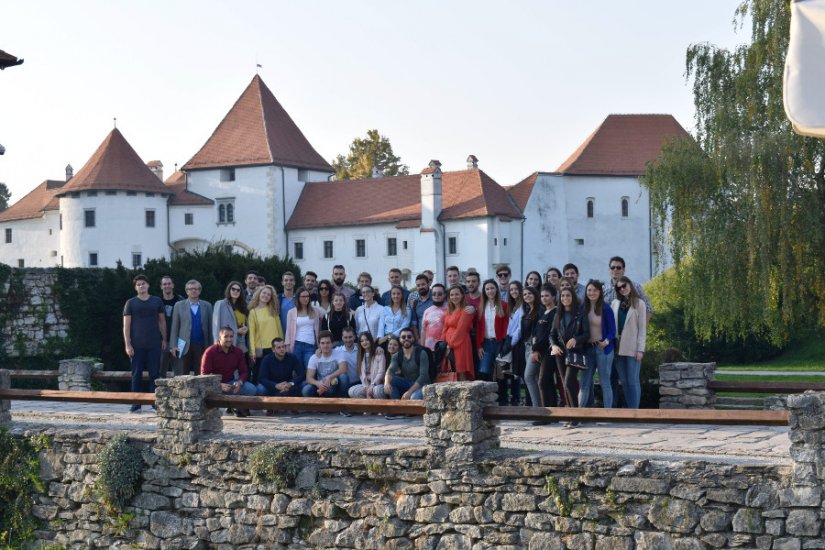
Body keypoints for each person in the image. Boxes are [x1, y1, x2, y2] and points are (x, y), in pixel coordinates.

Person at [123, 274, 166, 413]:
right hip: (137, 345)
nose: (141, 286)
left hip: (154, 344)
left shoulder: (157, 301)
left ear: (148, 285)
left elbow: (162, 321)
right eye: (139, 284)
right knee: (136, 374)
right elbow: (126, 325)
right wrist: (127, 344)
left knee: (154, 374)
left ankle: (155, 404)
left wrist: (164, 339)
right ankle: (136, 404)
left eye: (143, 283)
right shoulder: (131, 303)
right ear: (135, 287)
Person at [550, 287, 589, 426]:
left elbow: (586, 334)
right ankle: (571, 416)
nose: (565, 298)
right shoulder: (557, 314)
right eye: (563, 296)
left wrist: (576, 340)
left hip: (575, 352)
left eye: (568, 295)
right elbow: (552, 335)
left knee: (568, 382)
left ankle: (575, 416)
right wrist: (553, 346)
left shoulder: (580, 314)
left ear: (572, 297)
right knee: (567, 385)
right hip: (560, 353)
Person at [201, 326, 257, 417]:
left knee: (252, 389)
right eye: (226, 336)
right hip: (213, 385)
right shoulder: (210, 352)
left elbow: (244, 372)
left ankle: (236, 406)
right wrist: (218, 385)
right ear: (220, 337)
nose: (229, 339)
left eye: (231, 336)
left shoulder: (238, 352)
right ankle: (226, 407)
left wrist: (239, 382)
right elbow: (204, 375)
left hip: (230, 384)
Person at [611, 276, 647, 409]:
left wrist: (640, 349)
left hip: (633, 348)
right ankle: (628, 411)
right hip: (617, 347)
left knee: (633, 380)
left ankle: (634, 411)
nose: (622, 289)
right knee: (624, 381)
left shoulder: (639, 304)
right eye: (619, 288)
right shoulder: (615, 303)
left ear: (630, 285)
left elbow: (642, 329)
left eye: (624, 286)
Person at [579, 280, 617, 408]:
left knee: (605, 382)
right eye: (589, 290)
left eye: (595, 290)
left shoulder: (606, 308)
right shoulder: (582, 307)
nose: (592, 292)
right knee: (584, 383)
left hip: (603, 349)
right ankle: (578, 416)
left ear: (600, 292)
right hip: (587, 350)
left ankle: (608, 415)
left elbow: (612, 331)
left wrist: (605, 342)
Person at [169, 279, 213, 377]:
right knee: (181, 375)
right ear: (186, 291)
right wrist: (173, 345)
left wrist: (211, 346)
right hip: (183, 346)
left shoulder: (207, 306)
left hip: (202, 345)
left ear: (200, 291)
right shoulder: (179, 305)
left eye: (196, 289)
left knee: (201, 374)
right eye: (191, 289)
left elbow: (210, 328)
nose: (193, 291)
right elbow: (175, 327)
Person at [525, 284, 556, 408]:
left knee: (544, 381)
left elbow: (549, 333)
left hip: (549, 351)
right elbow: (536, 332)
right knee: (543, 381)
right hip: (538, 351)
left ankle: (545, 412)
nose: (544, 298)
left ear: (553, 297)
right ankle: (545, 410)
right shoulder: (543, 311)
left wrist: (535, 348)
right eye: (542, 296)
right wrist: (534, 349)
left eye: (547, 296)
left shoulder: (555, 312)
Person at [383, 327, 429, 405]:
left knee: (414, 397)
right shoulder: (397, 356)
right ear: (400, 340)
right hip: (407, 383)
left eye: (409, 336)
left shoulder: (421, 353)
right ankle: (396, 407)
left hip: (422, 385)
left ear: (414, 339)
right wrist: (386, 383)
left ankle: (408, 411)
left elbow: (423, 377)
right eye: (403, 337)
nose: (406, 339)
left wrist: (409, 392)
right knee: (391, 380)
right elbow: (390, 371)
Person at [247, 285, 283, 383]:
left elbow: (279, 330)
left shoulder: (273, 311)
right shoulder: (253, 312)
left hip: (274, 348)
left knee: (274, 374)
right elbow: (252, 334)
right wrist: (252, 352)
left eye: (269, 295)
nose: (266, 296)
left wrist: (282, 346)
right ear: (259, 294)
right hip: (260, 350)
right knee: (258, 375)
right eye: (264, 293)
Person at [476, 278, 508, 381]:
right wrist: (479, 346)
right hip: (486, 344)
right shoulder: (480, 308)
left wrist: (503, 343)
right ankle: (486, 396)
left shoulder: (503, 306)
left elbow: (506, 326)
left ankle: (502, 397)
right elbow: (478, 329)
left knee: (500, 374)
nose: (490, 291)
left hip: (499, 343)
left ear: (496, 289)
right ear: (484, 292)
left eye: (492, 288)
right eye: (487, 289)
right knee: (483, 371)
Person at [512, 286, 539, 407]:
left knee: (529, 376)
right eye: (525, 294)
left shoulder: (539, 310)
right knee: (531, 377)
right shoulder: (527, 309)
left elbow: (538, 331)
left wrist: (535, 348)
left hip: (534, 348)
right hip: (526, 347)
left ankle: (537, 407)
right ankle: (537, 406)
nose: (527, 296)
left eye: (529, 293)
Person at [603, 256, 654, 320]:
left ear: (623, 270)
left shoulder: (635, 286)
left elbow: (648, 309)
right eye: (612, 267)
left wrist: (641, 328)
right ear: (609, 270)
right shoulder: (603, 290)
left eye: (618, 268)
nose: (615, 270)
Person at [256, 337, 305, 405]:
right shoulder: (267, 359)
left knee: (304, 384)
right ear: (273, 349)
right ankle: (269, 405)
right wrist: (275, 385)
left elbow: (301, 374)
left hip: (288, 386)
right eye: (278, 347)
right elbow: (261, 378)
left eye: (283, 346)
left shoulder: (292, 357)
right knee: (260, 388)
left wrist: (290, 384)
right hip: (273, 387)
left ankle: (293, 405)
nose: (282, 349)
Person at [442, 285, 476, 381]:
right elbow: (445, 328)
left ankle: (465, 395)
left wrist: (450, 345)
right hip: (449, 345)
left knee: (461, 371)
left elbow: (461, 330)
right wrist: (443, 344)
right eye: (452, 295)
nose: (454, 297)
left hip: (461, 343)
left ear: (462, 295)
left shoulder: (466, 310)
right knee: (452, 371)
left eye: (457, 294)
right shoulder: (449, 311)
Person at [285, 287, 324, 367]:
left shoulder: (315, 311)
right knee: (297, 369)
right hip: (296, 344)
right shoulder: (291, 312)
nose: (306, 299)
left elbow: (324, 316)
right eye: (303, 296)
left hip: (310, 344)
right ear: (298, 298)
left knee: (310, 367)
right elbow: (288, 331)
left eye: (308, 296)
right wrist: (287, 346)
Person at [499, 281, 524, 405]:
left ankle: (516, 399)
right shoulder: (511, 306)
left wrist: (511, 342)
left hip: (516, 342)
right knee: (505, 371)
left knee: (516, 372)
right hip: (509, 340)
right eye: (512, 289)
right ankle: (505, 400)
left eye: (516, 289)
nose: (514, 292)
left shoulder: (523, 306)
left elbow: (520, 327)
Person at [302, 331, 348, 398]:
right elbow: (308, 378)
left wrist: (330, 377)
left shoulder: (339, 353)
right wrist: (317, 383)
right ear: (319, 344)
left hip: (334, 384)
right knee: (306, 390)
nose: (325, 345)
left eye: (328, 343)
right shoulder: (314, 357)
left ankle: (343, 403)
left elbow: (344, 369)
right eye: (322, 343)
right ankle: (315, 407)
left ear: (332, 343)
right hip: (320, 385)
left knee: (344, 377)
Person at [212, 281, 249, 355]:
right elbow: (215, 326)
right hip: (225, 341)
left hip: (241, 342)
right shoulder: (220, 303)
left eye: (238, 290)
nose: (235, 291)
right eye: (233, 289)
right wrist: (216, 343)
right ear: (229, 290)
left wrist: (247, 328)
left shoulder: (244, 305)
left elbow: (246, 322)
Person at [348, 332, 387, 399]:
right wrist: (366, 387)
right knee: (352, 391)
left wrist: (372, 385)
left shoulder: (379, 352)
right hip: (366, 385)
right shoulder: (360, 355)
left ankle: (379, 408)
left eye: (366, 340)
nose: (364, 342)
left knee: (376, 390)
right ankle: (367, 407)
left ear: (370, 340)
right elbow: (361, 374)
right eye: (362, 341)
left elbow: (381, 372)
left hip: (378, 384)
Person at [159, 275, 182, 377]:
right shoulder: (156, 301)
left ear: (173, 285)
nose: (167, 286)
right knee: (160, 372)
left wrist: (181, 342)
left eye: (169, 283)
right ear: (161, 286)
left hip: (177, 342)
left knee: (179, 373)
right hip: (161, 341)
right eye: (164, 284)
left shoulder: (181, 301)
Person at [420, 283, 448, 350]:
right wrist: (422, 348)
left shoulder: (451, 309)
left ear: (444, 294)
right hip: (429, 349)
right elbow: (423, 330)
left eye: (439, 294)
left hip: (446, 348)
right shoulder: (427, 311)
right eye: (434, 294)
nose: (436, 296)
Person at [408, 273, 432, 342]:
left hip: (436, 338)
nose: (421, 287)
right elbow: (414, 324)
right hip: (422, 339)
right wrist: (418, 339)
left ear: (428, 284)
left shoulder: (436, 298)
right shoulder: (415, 303)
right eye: (418, 285)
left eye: (423, 284)